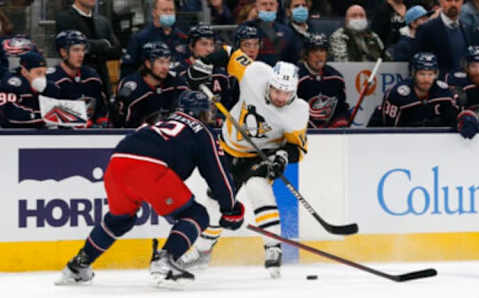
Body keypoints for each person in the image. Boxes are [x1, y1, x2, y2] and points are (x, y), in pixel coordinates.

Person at [55, 90, 244, 288]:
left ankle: (78, 266)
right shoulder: (201, 131)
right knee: (196, 215)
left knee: (119, 220)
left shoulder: (159, 121)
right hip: (150, 168)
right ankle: (165, 259)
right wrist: (230, 208)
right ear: (203, 112)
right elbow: (218, 174)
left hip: (116, 163)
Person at [180, 46, 309, 279]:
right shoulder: (256, 73)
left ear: (295, 91)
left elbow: (296, 148)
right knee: (218, 201)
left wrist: (281, 157)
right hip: (228, 149)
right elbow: (230, 51)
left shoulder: (299, 111)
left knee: (257, 187)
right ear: (269, 83)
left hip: (261, 155)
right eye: (276, 90)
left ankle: (273, 247)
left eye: (286, 94)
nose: (280, 97)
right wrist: (205, 64)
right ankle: (202, 250)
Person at [367, 52, 458, 127]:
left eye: (430, 74)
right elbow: (389, 130)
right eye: (422, 74)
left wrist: (463, 119)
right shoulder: (397, 95)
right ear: (413, 73)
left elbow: (455, 119)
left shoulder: (444, 93)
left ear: (436, 75)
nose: (426, 79)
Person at [112, 41, 189, 128]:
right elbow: (120, 126)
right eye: (161, 62)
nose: (166, 67)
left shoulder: (178, 84)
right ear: (148, 64)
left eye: (168, 62)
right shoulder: (131, 89)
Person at [55, 0, 122, 97]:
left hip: (102, 81)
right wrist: (103, 44)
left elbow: (116, 50)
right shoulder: (65, 17)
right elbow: (71, 46)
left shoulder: (102, 21)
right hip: (76, 81)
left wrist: (92, 46)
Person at [47, 30, 109, 127]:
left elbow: (101, 110)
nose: (81, 54)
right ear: (63, 52)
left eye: (83, 50)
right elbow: (49, 115)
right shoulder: (52, 79)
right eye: (76, 50)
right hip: (61, 138)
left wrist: (102, 121)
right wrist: (82, 124)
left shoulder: (92, 77)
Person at [179, 25, 238, 121]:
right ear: (191, 46)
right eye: (204, 44)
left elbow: (228, 106)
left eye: (211, 44)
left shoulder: (221, 75)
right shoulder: (180, 72)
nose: (209, 49)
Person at [120, 0, 188, 78]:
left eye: (171, 10)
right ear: (154, 12)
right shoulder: (140, 38)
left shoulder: (181, 36)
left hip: (178, 84)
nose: (169, 13)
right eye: (165, 10)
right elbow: (128, 70)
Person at [297, 34, 350, 128]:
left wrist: (340, 121)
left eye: (322, 50)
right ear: (306, 54)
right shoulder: (297, 78)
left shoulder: (336, 78)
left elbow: (341, 108)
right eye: (314, 51)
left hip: (329, 134)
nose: (319, 55)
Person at [415, 0, 475, 76]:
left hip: (466, 83)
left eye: (457, 0)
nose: (453, 4)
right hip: (440, 84)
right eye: (448, 0)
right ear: (440, 1)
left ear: (462, 2)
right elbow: (417, 64)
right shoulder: (426, 29)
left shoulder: (469, 29)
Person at [0, 51, 58, 128]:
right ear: (24, 72)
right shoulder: (11, 85)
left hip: (42, 135)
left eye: (44, 73)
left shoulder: (51, 87)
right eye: (38, 73)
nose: (42, 77)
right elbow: (10, 116)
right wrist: (46, 117)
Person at [242, 0, 297, 66]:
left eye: (272, 4)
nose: (268, 8)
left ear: (277, 6)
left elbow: (293, 60)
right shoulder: (246, 28)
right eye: (264, 4)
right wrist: (249, 21)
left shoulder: (287, 32)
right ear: (256, 7)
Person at [444, 45, 479, 139]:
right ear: (466, 67)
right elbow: (450, 114)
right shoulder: (457, 82)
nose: (478, 71)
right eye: (473, 66)